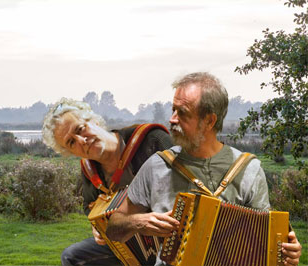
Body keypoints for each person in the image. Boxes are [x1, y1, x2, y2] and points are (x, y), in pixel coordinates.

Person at [106, 72, 302, 266]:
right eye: (173, 110)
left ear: (209, 120)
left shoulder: (248, 169)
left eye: (182, 113)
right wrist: (139, 222)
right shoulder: (157, 165)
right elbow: (114, 228)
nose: (173, 119)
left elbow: (265, 244)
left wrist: (287, 256)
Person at [42, 97, 173, 266]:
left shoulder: (152, 140)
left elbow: (190, 181)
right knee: (72, 257)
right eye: (71, 142)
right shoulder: (90, 171)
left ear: (94, 120)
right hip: (129, 243)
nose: (82, 141)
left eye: (80, 129)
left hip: (173, 233)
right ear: (70, 151)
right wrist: (98, 227)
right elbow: (89, 206)